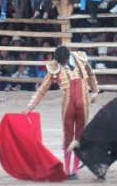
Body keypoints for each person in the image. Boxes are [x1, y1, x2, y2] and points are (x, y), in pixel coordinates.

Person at [22, 45, 99, 180]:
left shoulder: (80, 58)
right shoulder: (54, 66)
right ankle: (66, 168)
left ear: (68, 57)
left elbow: (91, 74)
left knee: (80, 136)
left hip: (84, 103)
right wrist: (30, 106)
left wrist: (95, 91)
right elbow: (43, 88)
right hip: (68, 105)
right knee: (68, 136)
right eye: (60, 62)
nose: (62, 64)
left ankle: (75, 169)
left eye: (63, 61)